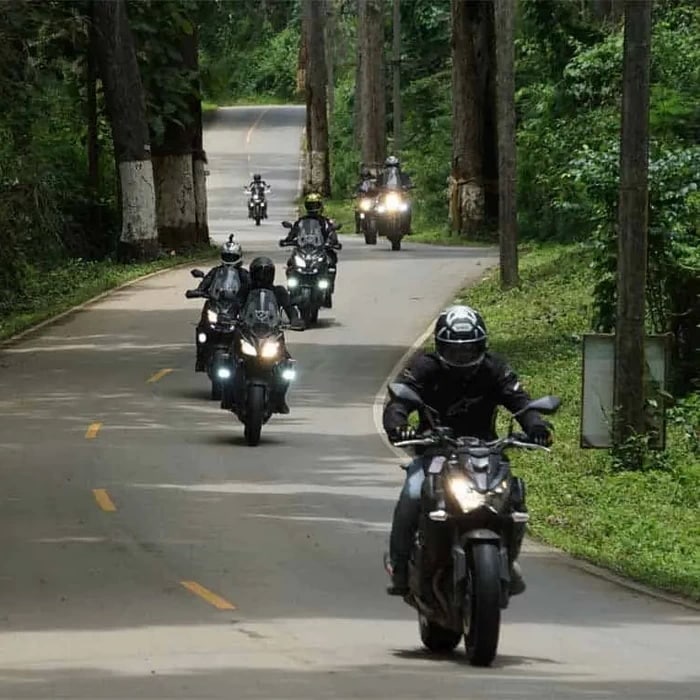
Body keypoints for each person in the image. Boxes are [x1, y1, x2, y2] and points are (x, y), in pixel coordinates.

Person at [383, 304, 553, 597]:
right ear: (441, 347)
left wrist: (536, 426)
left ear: (482, 345)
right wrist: (399, 426)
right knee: (412, 492)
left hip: (486, 452)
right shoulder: (425, 367)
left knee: (513, 496)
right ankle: (400, 566)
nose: (462, 356)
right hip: (435, 452)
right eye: (454, 350)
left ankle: (507, 559)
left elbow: (520, 401)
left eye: (469, 349)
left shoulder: (494, 369)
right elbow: (399, 401)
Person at [243, 256, 304, 414]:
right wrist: (227, 316)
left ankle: (280, 398)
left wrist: (295, 319)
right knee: (230, 357)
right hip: (249, 331)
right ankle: (228, 391)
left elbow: (290, 307)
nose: (262, 277)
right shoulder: (246, 290)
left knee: (287, 364)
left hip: (272, 333)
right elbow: (236, 304)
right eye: (259, 273)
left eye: (266, 273)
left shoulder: (278, 292)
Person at [192, 236, 250, 372]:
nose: (229, 259)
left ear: (239, 257)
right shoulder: (215, 272)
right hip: (217, 305)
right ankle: (201, 357)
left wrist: (246, 299)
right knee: (202, 327)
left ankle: (247, 360)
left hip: (235, 308)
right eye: (227, 256)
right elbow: (205, 284)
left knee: (247, 330)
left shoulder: (244, 275)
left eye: (232, 256)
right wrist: (197, 291)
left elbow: (251, 289)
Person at [281, 193, 341, 296]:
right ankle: (292, 288)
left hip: (321, 249)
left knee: (331, 261)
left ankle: (328, 288)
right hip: (304, 249)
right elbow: (294, 232)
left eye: (315, 205)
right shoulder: (301, 221)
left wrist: (333, 242)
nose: (313, 207)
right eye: (310, 205)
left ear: (320, 206)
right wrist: (287, 240)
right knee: (290, 263)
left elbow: (332, 233)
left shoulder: (325, 221)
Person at [354, 166, 378, 234]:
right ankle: (358, 227)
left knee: (380, 209)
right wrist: (356, 194)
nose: (365, 177)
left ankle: (381, 224)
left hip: (372, 199)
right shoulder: (359, 182)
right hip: (363, 199)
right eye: (364, 176)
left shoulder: (373, 181)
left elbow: (377, 189)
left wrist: (378, 193)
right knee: (357, 210)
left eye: (367, 175)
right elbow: (357, 190)